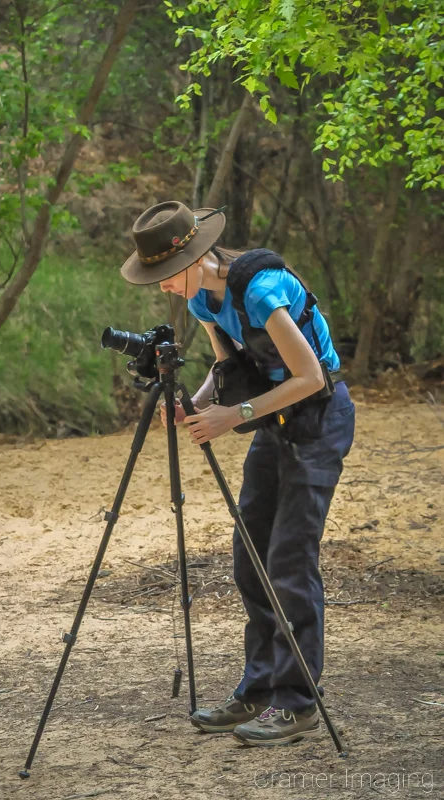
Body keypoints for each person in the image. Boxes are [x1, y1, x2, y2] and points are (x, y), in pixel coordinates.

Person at [121, 200, 355, 747]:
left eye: (164, 276)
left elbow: (311, 376)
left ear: (195, 257)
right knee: (250, 557)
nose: (162, 289)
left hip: (318, 419)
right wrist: (195, 404)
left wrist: (234, 416)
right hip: (274, 422)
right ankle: (258, 689)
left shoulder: (261, 290)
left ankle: (296, 703)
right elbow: (229, 366)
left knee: (289, 560)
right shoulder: (202, 297)